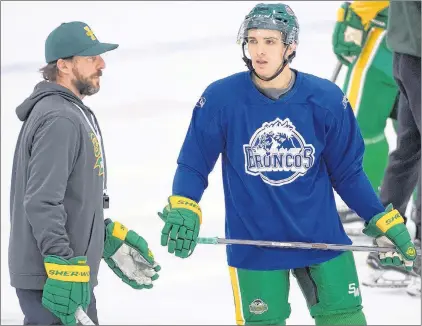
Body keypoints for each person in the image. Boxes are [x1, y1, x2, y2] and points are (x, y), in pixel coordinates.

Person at [157, 3, 417, 325]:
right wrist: (184, 203)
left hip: (323, 240)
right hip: (254, 246)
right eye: (252, 41)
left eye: (269, 41)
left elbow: (348, 174)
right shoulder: (221, 100)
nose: (259, 52)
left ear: (290, 46)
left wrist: (380, 218)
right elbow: (193, 164)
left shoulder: (325, 99)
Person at [9, 21, 160, 325]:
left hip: (64, 275)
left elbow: (70, 197)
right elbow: (42, 201)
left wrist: (100, 238)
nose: (101, 64)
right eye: (91, 58)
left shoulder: (68, 112)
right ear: (63, 66)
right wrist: (63, 264)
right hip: (54, 281)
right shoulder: (59, 119)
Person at [364, 0, 421, 296]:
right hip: (417, 53)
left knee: (410, 150)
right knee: (411, 150)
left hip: (407, 54)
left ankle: (389, 249)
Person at [331, 1, 400, 224]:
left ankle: (367, 202)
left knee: (359, 128)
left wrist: (356, 14)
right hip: (403, 36)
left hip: (385, 39)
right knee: (414, 139)